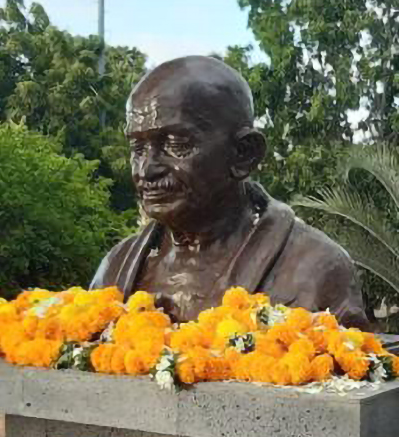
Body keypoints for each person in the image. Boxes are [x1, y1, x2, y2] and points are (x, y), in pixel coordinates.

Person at [91, 56, 368, 328]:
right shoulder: (115, 271)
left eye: (176, 144)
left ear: (244, 154)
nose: (146, 170)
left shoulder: (315, 270)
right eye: (137, 149)